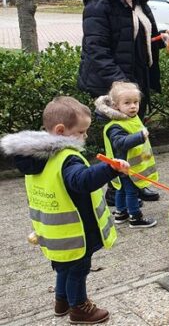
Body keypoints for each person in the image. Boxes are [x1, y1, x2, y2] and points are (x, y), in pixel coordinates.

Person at [0, 96, 129, 324]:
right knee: (78, 270)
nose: (85, 136)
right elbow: (82, 181)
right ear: (61, 131)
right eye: (81, 132)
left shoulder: (37, 156)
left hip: (53, 232)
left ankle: (62, 301)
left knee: (63, 267)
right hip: (76, 231)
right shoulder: (66, 158)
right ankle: (79, 308)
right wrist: (111, 169)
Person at [78, 0, 169, 204]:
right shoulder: (100, 3)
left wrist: (161, 38)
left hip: (135, 79)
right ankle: (114, 191)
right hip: (112, 85)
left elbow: (142, 38)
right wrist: (122, 86)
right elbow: (96, 50)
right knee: (117, 140)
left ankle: (137, 186)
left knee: (136, 139)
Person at [96, 82, 158, 228]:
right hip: (125, 166)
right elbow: (120, 143)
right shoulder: (116, 125)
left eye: (136, 102)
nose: (133, 106)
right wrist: (140, 137)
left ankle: (121, 213)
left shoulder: (129, 118)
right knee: (131, 191)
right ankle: (135, 217)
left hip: (125, 165)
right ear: (116, 106)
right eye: (127, 103)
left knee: (122, 190)